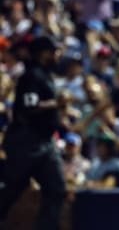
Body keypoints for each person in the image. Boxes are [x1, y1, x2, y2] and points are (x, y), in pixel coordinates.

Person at [0, 36, 67, 230]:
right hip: (26, 142)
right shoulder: (32, 75)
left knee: (56, 189)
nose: (57, 55)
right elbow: (29, 106)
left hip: (44, 143)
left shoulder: (44, 74)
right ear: (42, 53)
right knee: (12, 188)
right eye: (53, 51)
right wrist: (57, 104)